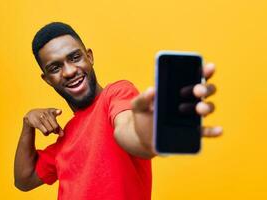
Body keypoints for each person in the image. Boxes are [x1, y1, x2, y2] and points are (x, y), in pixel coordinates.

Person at [14, 22, 222, 200]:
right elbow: (24, 178)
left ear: (89, 57)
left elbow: (126, 130)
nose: (69, 71)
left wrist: (147, 135)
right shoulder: (65, 136)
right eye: (55, 68)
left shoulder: (116, 94)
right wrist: (27, 124)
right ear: (47, 79)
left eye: (75, 57)